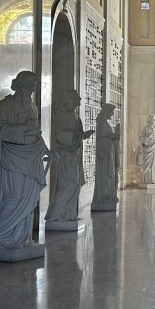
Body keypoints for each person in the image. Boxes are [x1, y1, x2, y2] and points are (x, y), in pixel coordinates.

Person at [0, 71, 49, 251]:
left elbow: (36, 132)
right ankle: (1, 236)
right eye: (27, 88)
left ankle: (21, 237)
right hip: (13, 158)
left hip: (31, 157)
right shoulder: (4, 105)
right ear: (19, 87)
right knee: (15, 196)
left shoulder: (33, 107)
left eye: (32, 89)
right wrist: (22, 129)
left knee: (28, 198)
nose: (29, 93)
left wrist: (45, 149)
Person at [45, 89, 93, 226]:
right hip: (67, 156)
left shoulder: (74, 116)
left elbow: (75, 135)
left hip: (74, 156)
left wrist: (82, 135)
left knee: (74, 184)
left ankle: (66, 214)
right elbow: (61, 135)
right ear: (71, 100)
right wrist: (79, 136)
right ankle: (57, 214)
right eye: (77, 97)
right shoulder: (64, 116)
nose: (80, 100)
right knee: (69, 184)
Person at [92, 102, 121, 210]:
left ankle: (109, 196)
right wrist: (114, 136)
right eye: (111, 112)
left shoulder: (104, 123)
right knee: (106, 176)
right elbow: (101, 140)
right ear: (107, 111)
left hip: (109, 154)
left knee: (110, 175)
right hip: (104, 155)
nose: (112, 115)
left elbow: (107, 137)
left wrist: (114, 136)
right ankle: (104, 197)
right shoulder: (101, 123)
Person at [138, 114, 155, 185]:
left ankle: (152, 179)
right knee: (146, 166)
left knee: (154, 164)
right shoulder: (145, 128)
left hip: (154, 150)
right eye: (153, 119)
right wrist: (147, 139)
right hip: (147, 150)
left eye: (154, 119)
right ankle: (146, 180)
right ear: (149, 120)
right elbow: (140, 138)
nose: (154, 120)